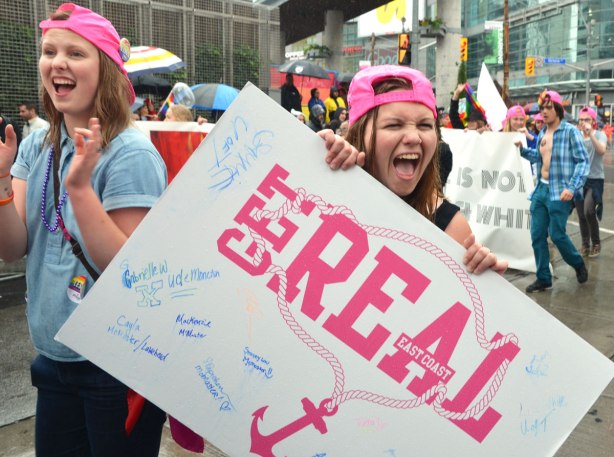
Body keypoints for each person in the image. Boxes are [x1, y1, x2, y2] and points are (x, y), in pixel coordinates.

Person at [0, 4, 169, 455]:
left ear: (107, 70)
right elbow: (12, 248)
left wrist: (80, 190)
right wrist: (0, 183)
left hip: (117, 367)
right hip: (53, 358)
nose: (57, 62)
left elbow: (127, 270)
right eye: (50, 51)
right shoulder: (37, 143)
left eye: (76, 53)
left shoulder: (131, 153)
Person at [345, 65, 507, 275]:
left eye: (424, 125)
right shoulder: (322, 191)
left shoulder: (452, 229)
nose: (414, 137)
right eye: (394, 125)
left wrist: (490, 288)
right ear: (358, 135)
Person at [515, 90, 589, 293]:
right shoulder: (542, 134)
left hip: (560, 192)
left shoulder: (570, 132)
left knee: (557, 234)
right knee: (537, 234)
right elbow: (539, 159)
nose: (544, 112)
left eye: (549, 107)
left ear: (558, 109)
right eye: (542, 108)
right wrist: (522, 150)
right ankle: (543, 277)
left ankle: (577, 263)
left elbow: (583, 162)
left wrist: (572, 187)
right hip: (541, 190)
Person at [575, 106, 607, 258]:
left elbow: (601, 151)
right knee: (581, 214)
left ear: (593, 121)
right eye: (581, 119)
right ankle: (585, 244)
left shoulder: (600, 135)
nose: (583, 122)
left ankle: (596, 242)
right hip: (580, 179)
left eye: (587, 119)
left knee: (589, 210)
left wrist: (590, 135)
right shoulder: (576, 136)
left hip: (595, 180)